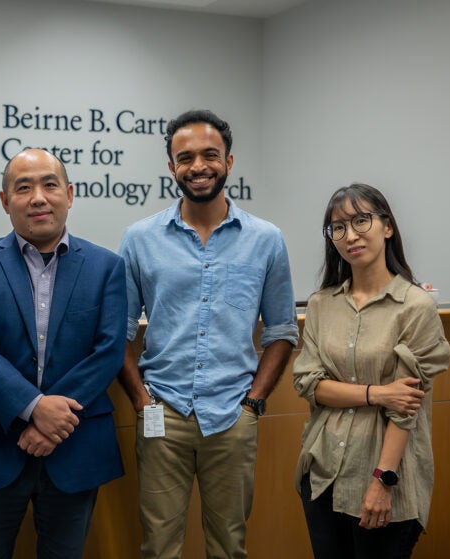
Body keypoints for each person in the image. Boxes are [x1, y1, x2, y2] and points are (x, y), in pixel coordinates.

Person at [118, 109, 299, 558]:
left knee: (229, 547)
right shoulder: (140, 239)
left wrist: (254, 401)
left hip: (232, 417)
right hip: (163, 416)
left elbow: (282, 331)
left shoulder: (266, 239)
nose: (198, 166)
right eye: (186, 157)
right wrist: (142, 401)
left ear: (229, 162)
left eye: (209, 155)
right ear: (172, 168)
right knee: (158, 547)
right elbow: (116, 333)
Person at [0, 148, 127, 559]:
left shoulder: (106, 267)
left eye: (49, 184)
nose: (38, 198)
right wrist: (34, 407)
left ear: (70, 193)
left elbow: (109, 351)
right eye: (23, 188)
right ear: (5, 201)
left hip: (73, 444)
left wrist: (52, 420)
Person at [293, 183, 450, 559]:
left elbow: (405, 406)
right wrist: (377, 393)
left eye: (361, 220)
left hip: (386, 479)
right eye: (338, 227)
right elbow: (309, 383)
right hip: (323, 473)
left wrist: (383, 479)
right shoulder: (320, 305)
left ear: (387, 227)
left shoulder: (414, 306)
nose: (351, 235)